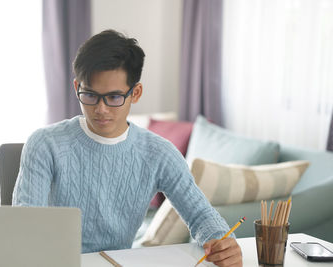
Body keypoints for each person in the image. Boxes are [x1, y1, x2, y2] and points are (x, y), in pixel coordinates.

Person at [13, 29, 242, 267]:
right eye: (90, 95)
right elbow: (24, 225)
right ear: (76, 87)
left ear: (136, 93)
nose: (100, 109)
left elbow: (201, 214)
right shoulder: (44, 144)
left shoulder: (159, 153)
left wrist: (221, 241)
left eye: (113, 97)